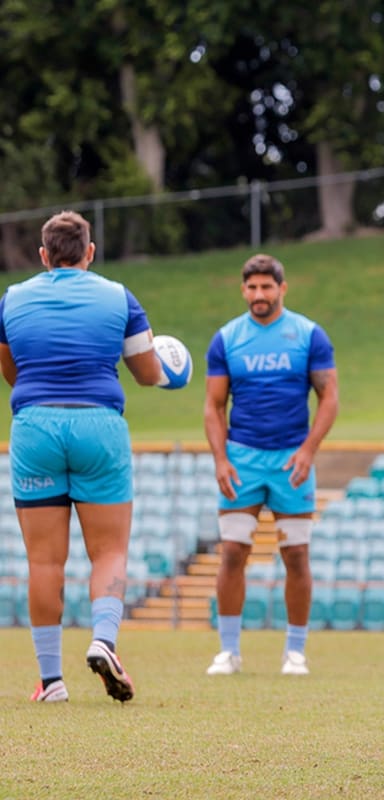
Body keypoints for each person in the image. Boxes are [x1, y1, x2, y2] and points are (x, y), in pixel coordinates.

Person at [0, 210, 172, 703]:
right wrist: (169, 375)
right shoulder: (119, 297)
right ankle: (103, 640)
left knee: (44, 561)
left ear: (43, 255)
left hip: (34, 427)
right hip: (99, 425)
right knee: (110, 551)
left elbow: (11, 370)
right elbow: (146, 371)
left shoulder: (12, 299)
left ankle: (51, 682)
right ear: (90, 252)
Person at [203, 254, 338, 677]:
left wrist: (309, 451)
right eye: (251, 287)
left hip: (290, 462)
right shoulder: (226, 338)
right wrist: (221, 459)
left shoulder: (309, 335)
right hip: (242, 460)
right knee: (232, 553)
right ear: (243, 290)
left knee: (296, 555)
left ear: (282, 289)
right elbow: (213, 405)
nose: (259, 295)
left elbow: (329, 398)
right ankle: (228, 651)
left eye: (266, 287)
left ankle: (295, 652)